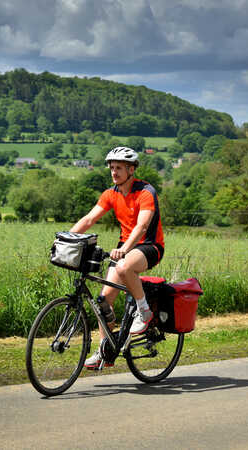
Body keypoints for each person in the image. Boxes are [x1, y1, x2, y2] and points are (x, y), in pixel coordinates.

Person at [70, 146, 165, 369]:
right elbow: (88, 220)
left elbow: (142, 227)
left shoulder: (145, 192)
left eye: (119, 168)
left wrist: (124, 250)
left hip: (149, 247)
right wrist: (66, 239)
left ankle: (144, 312)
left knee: (124, 267)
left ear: (131, 169)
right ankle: (105, 350)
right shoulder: (110, 194)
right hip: (125, 248)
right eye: (112, 168)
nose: (114, 172)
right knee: (103, 302)